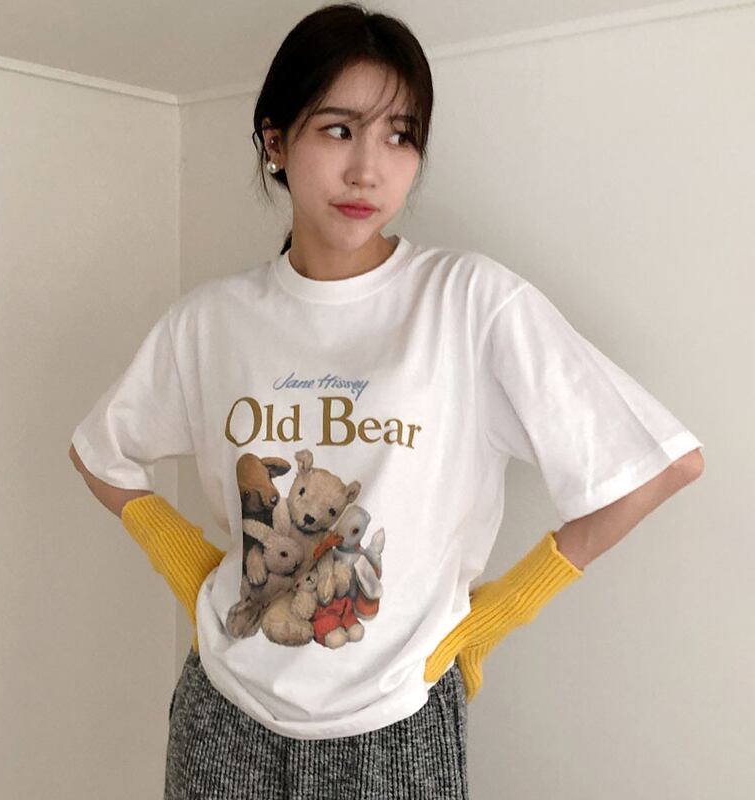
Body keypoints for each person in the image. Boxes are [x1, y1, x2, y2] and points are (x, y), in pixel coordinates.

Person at [68, 3, 705, 798]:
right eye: (338, 129)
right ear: (275, 142)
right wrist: (188, 562)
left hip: (396, 723)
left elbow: (660, 464)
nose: (368, 169)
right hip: (224, 713)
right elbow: (100, 453)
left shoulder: (469, 303)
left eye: (400, 136)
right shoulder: (211, 321)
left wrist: (502, 610)